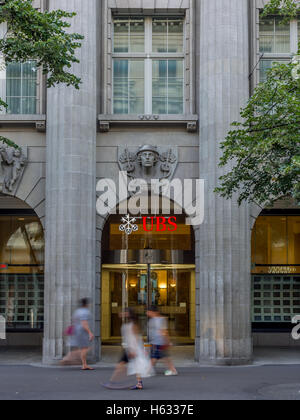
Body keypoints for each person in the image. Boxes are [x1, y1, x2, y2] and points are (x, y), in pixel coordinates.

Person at [103, 308, 153, 390]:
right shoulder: (129, 323)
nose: (122, 313)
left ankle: (112, 382)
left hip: (132, 349)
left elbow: (136, 338)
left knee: (121, 365)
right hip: (130, 348)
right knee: (134, 366)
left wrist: (133, 350)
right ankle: (138, 383)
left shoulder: (132, 325)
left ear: (128, 314)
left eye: (124, 313)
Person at [61, 298, 94, 371]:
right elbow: (84, 323)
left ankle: (84, 365)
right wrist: (90, 332)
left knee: (83, 348)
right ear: (86, 304)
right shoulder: (85, 312)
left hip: (76, 332)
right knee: (86, 348)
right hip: (82, 332)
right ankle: (68, 357)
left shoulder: (77, 311)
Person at [147, 305, 178, 376]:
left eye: (149, 312)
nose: (147, 313)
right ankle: (173, 370)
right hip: (155, 342)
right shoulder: (152, 320)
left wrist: (167, 341)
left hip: (160, 342)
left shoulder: (161, 320)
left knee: (155, 358)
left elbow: (164, 331)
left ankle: (148, 371)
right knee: (164, 357)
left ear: (154, 312)